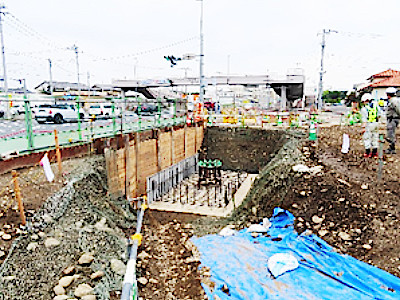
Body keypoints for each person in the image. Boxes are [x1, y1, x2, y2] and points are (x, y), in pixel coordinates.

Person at [360, 93, 380, 158]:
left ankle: (367, 152)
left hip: (368, 124)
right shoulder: (376, 106)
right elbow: (380, 114)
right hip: (376, 123)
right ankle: (375, 152)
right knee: (375, 137)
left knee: (367, 138)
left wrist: (363, 128)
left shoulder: (364, 109)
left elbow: (364, 119)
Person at [384, 87, 400, 154]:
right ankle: (391, 147)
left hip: (392, 119)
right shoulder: (395, 100)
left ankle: (392, 148)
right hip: (393, 118)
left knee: (391, 134)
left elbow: (398, 109)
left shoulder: (393, 101)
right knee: (391, 133)